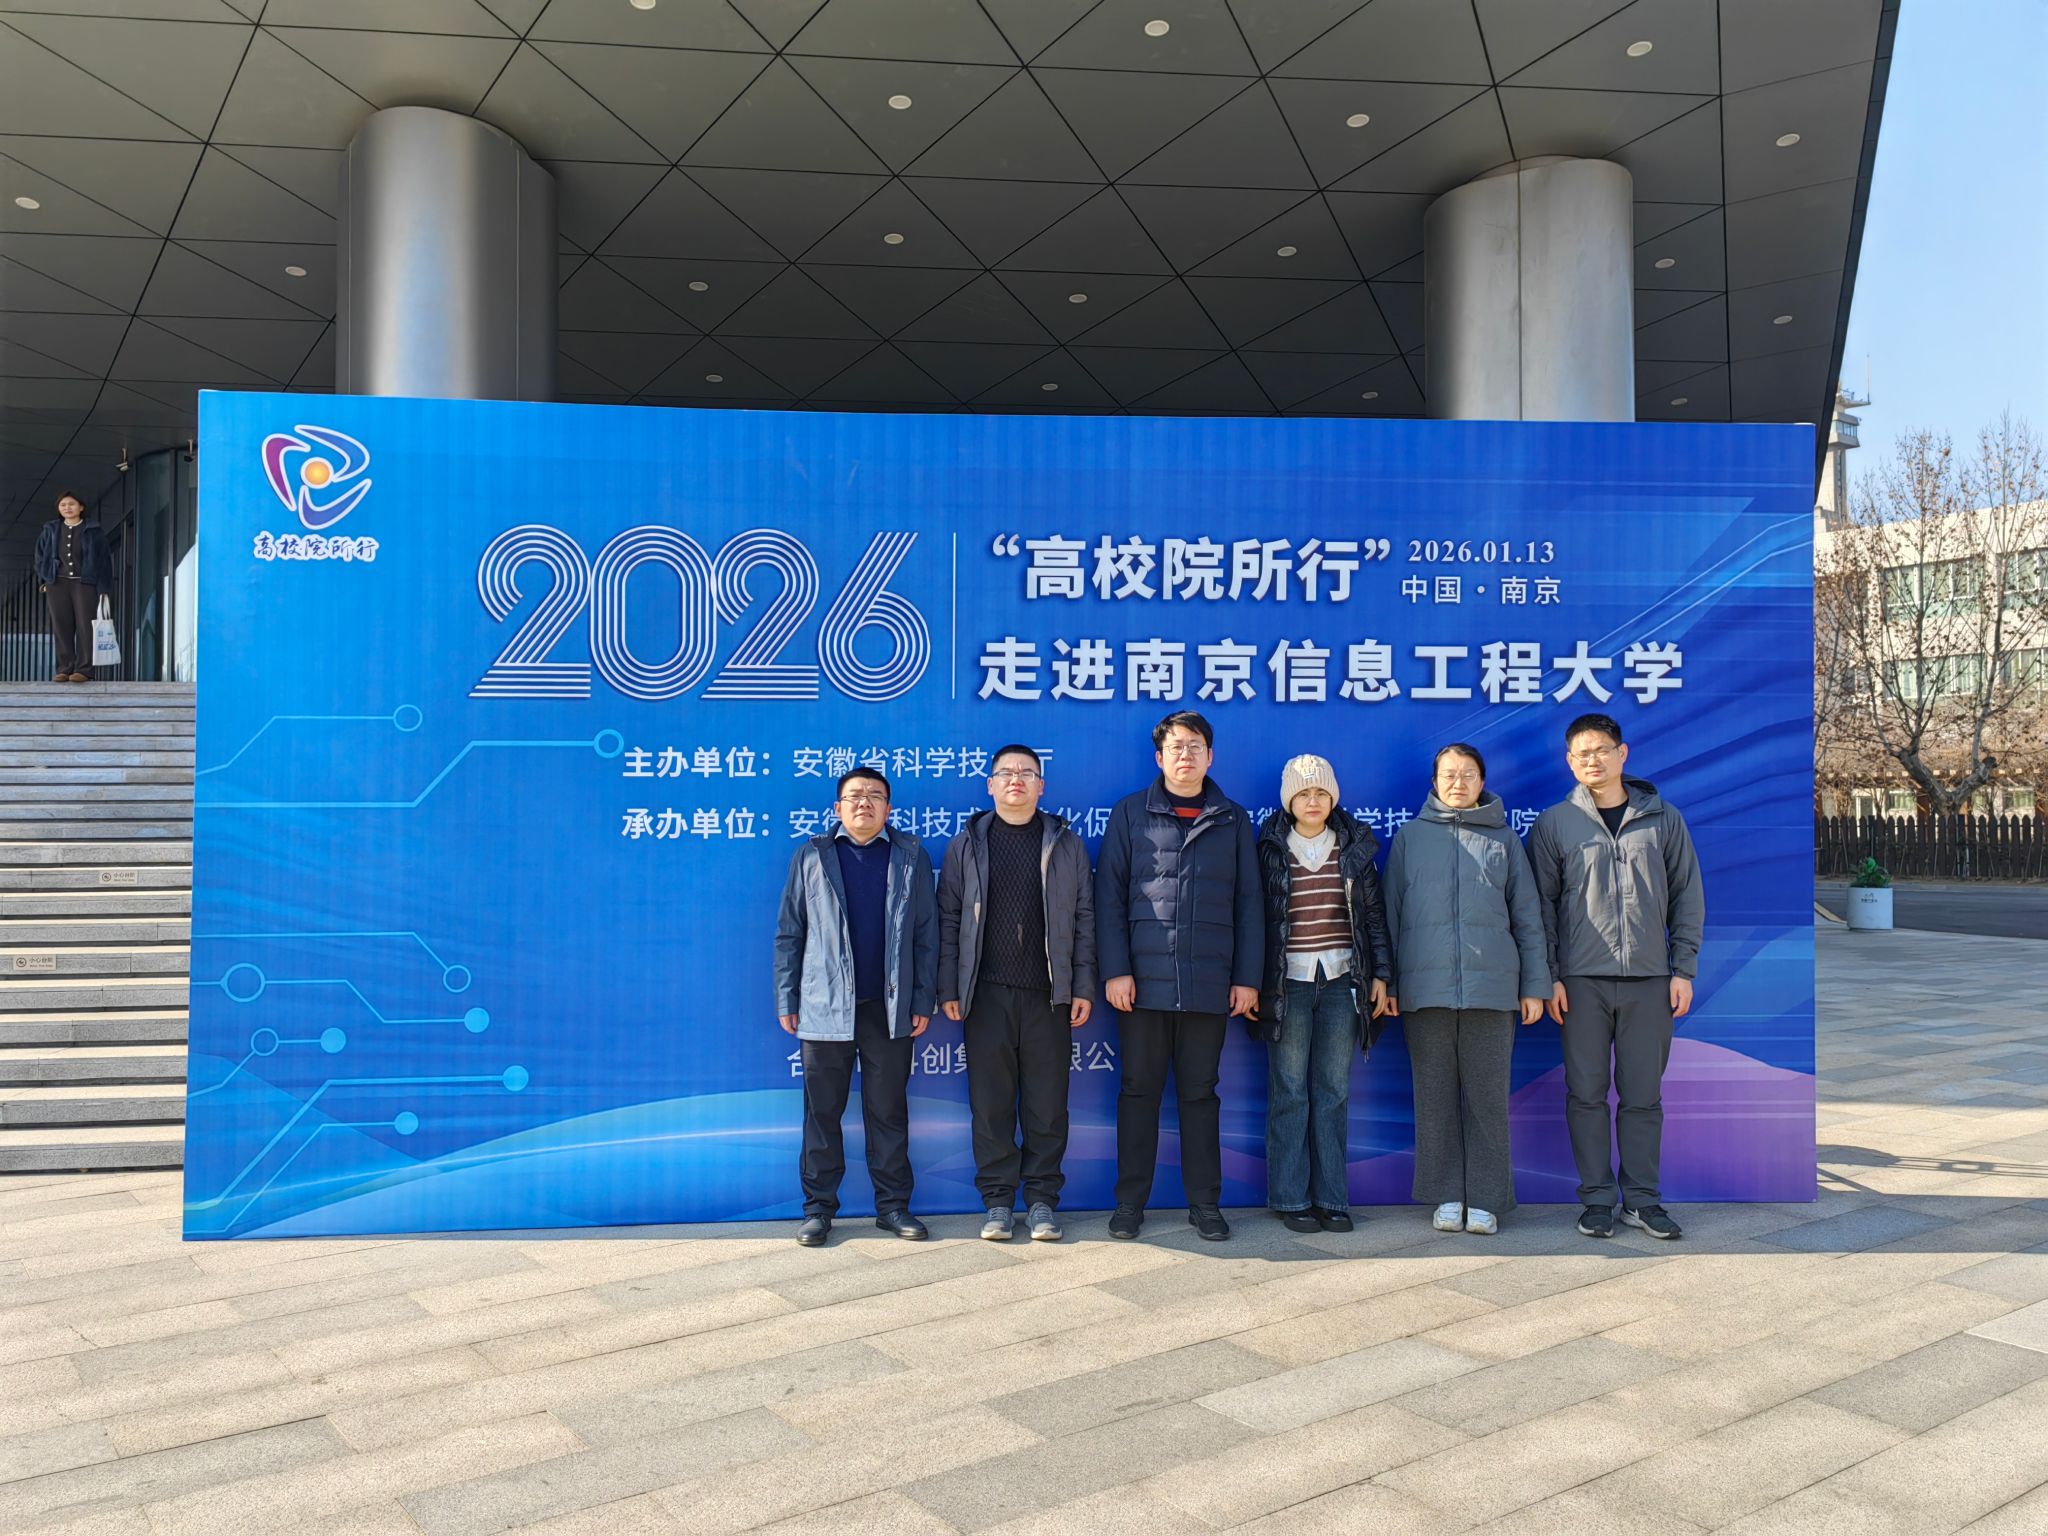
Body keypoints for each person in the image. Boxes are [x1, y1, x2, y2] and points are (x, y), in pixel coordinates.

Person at [1528, 714, 1705, 1243]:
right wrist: (1550, 976)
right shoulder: (1556, 823)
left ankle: (1643, 1201)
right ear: (1570, 762)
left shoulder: (1663, 818)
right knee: (1585, 1094)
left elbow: (1687, 896)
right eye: (1582, 754)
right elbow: (1540, 908)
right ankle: (1598, 1200)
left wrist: (1683, 968)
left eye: (1602, 750)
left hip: (1650, 980)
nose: (1593, 761)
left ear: (1622, 754)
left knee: (1642, 1096)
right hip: (1581, 981)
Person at [1096, 711, 1262, 1242]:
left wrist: (1247, 978)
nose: (1185, 755)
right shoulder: (1130, 813)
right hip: (1141, 986)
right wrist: (1116, 970)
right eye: (1175, 746)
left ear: (1210, 756)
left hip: (1209, 983)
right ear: (1159, 757)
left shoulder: (1233, 819)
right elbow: (1109, 898)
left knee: (1200, 1095)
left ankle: (1205, 1204)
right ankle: (1129, 1204)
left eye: (1194, 746)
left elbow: (1250, 904)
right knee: (1138, 1093)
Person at [1382, 743, 1550, 1237]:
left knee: (1487, 1100)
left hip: (1492, 992)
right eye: (1449, 775)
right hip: (1425, 990)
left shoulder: (1504, 839)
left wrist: (1534, 985)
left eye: (1468, 774)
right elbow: (1389, 917)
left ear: (1482, 781)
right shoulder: (1411, 838)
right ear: (1434, 782)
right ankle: (1446, 1195)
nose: (1458, 783)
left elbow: (1528, 918)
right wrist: (1388, 983)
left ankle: (1487, 1199)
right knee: (1433, 1099)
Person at [937, 744, 1096, 1243]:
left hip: (1049, 996)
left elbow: (1085, 919)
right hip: (985, 996)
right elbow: (948, 920)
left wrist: (1082, 985)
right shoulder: (966, 845)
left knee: (1048, 1106)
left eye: (1027, 772)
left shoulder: (1066, 844)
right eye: (1006, 772)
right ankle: (998, 1203)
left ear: (1041, 786)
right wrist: (949, 985)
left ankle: (1043, 1201)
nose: (1016, 780)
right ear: (990, 784)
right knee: (991, 1106)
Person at [774, 767, 938, 1248]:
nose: (864, 803)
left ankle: (893, 1207)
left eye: (874, 796)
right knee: (822, 1113)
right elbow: (790, 932)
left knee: (888, 1111)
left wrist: (922, 997)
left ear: (888, 808)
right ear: (838, 807)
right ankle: (818, 1209)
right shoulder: (812, 855)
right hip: (824, 1006)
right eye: (854, 796)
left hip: (890, 1007)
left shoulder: (910, 855)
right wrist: (788, 996)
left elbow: (927, 935)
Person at [1252, 754, 1392, 1233]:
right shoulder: (1269, 849)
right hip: (1286, 983)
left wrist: (1381, 974)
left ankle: (1332, 1198)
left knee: (1332, 1092)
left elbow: (1374, 917)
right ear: (1288, 800)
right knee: (1290, 1091)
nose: (1312, 801)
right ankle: (1290, 1198)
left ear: (1333, 798)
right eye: (1302, 793)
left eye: (1321, 793)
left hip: (1341, 981)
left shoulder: (1353, 847)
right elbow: (1253, 921)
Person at [33, 491, 112, 684]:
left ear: (81, 507)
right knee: (61, 626)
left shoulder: (93, 530)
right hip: (57, 584)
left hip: (85, 583)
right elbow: (40, 556)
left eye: (71, 504)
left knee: (86, 626)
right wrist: (44, 580)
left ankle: (84, 669)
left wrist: (103, 588)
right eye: (63, 505)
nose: (67, 508)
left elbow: (104, 560)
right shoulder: (51, 530)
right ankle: (64, 668)